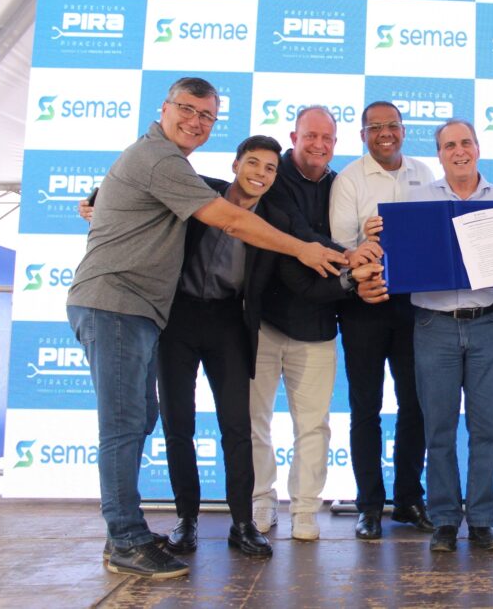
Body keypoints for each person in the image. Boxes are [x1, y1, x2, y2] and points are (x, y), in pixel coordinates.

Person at [66, 77, 347, 579]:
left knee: (148, 420)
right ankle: (134, 536)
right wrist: (95, 197)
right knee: (132, 425)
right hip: (123, 306)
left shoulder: (182, 171)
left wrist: (350, 271)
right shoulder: (173, 167)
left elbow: (300, 252)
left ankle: (166, 530)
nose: (196, 121)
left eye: (206, 116)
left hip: (172, 317)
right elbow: (231, 221)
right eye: (187, 110)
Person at [369, 119, 493, 552]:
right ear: (440, 154)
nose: (459, 151)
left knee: (489, 428)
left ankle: (483, 520)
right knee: (439, 428)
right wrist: (379, 236)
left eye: (466, 143)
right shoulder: (417, 202)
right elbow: (398, 262)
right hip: (434, 325)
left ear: (478, 148)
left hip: (488, 321)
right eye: (449, 145)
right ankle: (446, 520)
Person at [249, 106, 382, 542]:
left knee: (314, 424)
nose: (319, 145)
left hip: (321, 318)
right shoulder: (272, 176)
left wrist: (367, 241)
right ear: (294, 136)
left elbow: (350, 237)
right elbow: (297, 230)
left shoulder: (340, 183)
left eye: (327, 138)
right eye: (311, 136)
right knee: (256, 421)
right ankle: (260, 503)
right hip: (266, 320)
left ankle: (305, 510)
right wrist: (349, 259)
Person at [154, 135, 284, 560]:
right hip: (179, 318)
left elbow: (306, 248)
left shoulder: (274, 220)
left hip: (230, 322)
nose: (260, 173)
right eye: (253, 163)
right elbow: (139, 185)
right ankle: (186, 520)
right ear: (234, 165)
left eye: (269, 168)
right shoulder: (200, 191)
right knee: (178, 425)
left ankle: (243, 524)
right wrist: (95, 199)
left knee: (236, 428)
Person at [328, 101, 435, 539]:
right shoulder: (349, 179)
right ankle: (369, 504)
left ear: (404, 130)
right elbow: (337, 246)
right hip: (364, 307)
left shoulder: (424, 173)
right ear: (363, 134)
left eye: (392, 125)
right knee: (365, 408)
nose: (385, 133)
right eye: (376, 127)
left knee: (416, 406)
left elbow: (433, 234)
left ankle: (409, 499)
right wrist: (364, 239)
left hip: (412, 305)